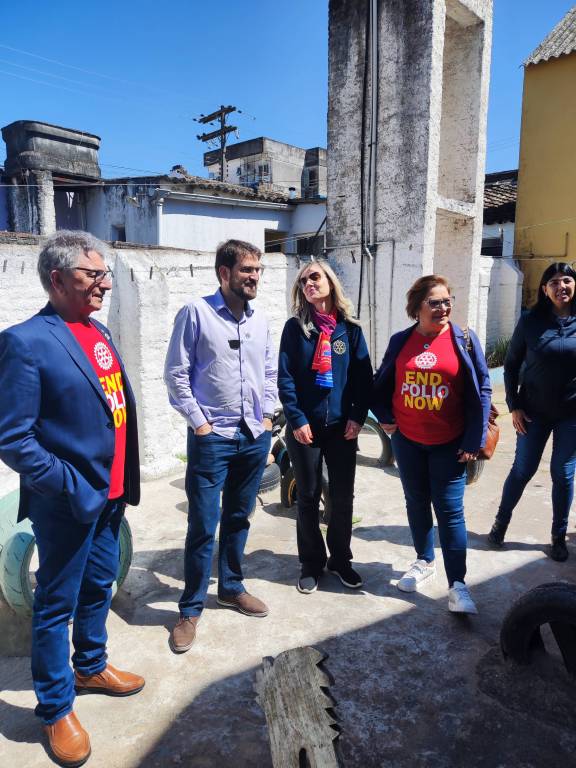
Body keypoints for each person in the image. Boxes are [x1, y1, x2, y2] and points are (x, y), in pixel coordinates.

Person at [0, 231, 142, 767]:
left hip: (110, 496)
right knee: (55, 604)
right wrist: (68, 483)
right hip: (68, 502)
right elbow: (14, 438)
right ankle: (56, 707)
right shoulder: (25, 342)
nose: (104, 283)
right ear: (58, 279)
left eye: (105, 273)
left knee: (100, 584)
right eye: (93, 274)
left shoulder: (97, 330)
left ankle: (91, 665)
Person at [164, 239, 277, 653]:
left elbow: (269, 371)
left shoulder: (260, 320)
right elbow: (176, 373)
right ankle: (190, 609)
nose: (254, 277)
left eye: (258, 269)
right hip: (213, 439)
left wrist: (268, 418)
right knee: (202, 524)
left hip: (253, 436)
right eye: (247, 269)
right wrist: (200, 424)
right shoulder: (196, 313)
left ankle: (230, 587)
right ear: (224, 273)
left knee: (239, 517)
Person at [372, 275, 491, 614]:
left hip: (449, 444)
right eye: (435, 302)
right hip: (407, 441)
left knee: (450, 511)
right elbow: (381, 383)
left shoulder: (464, 340)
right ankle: (424, 561)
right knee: (416, 502)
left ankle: (458, 585)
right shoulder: (401, 341)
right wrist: (384, 416)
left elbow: (483, 388)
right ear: (417, 307)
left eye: (447, 301)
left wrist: (474, 439)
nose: (443, 308)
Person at [277, 260, 372, 594]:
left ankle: (340, 560)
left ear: (331, 282)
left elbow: (363, 379)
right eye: (303, 281)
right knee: (307, 496)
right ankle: (311, 563)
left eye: (315, 277)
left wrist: (357, 417)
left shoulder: (351, 330)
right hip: (305, 429)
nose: (309, 283)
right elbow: (285, 379)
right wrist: (297, 419)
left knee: (342, 497)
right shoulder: (295, 329)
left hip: (342, 429)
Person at [488, 263, 576, 561]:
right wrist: (514, 405)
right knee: (523, 470)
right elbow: (511, 366)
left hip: (571, 414)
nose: (561, 286)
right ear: (544, 289)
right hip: (533, 412)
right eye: (554, 282)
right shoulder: (530, 321)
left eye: (567, 280)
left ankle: (558, 536)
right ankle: (500, 523)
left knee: (563, 474)